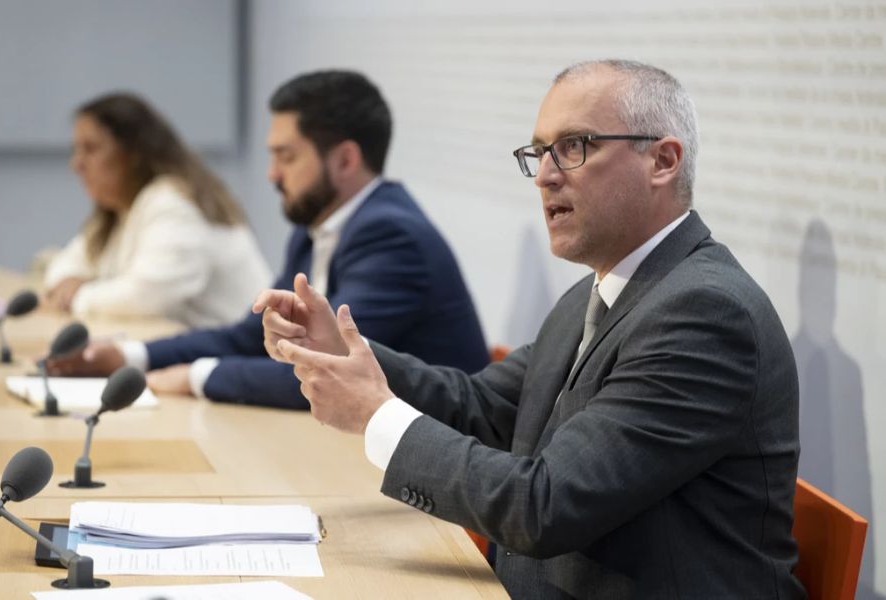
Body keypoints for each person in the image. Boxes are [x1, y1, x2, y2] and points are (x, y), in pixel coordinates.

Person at [255, 60, 805, 598]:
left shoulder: (704, 315)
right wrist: (348, 355)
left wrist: (377, 414)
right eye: (539, 152)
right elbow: (482, 407)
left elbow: (545, 507)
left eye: (574, 146)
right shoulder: (598, 291)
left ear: (662, 161)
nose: (545, 175)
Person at [49, 70, 490, 409]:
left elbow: (330, 371)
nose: (272, 174)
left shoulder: (392, 237)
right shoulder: (315, 227)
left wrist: (194, 377)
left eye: (287, 156)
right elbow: (246, 336)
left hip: (431, 495)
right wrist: (130, 355)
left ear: (345, 159)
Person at [44, 93, 271, 327]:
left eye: (90, 149)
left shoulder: (173, 203)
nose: (77, 164)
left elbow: (147, 296)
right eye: (77, 150)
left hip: (241, 354)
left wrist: (79, 296)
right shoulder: (119, 210)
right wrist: (70, 280)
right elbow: (67, 263)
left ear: (131, 154)